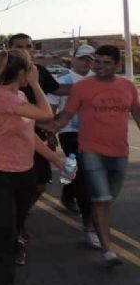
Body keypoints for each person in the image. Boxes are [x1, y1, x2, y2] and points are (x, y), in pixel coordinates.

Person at [0, 48, 71, 285]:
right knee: (4, 241)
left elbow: (29, 134)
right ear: (21, 72)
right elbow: (45, 114)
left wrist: (57, 160)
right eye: (30, 67)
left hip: (22, 174)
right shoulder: (0, 96)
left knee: (12, 232)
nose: (35, 71)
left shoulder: (17, 96)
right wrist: (37, 84)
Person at [53, 45, 140, 268]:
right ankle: (107, 250)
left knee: (107, 197)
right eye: (97, 62)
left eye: (105, 62)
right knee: (101, 198)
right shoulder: (81, 88)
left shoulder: (128, 87)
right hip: (90, 150)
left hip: (120, 152)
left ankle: (91, 225)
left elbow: (137, 113)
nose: (99, 66)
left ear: (117, 65)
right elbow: (64, 118)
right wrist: (39, 130)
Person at [7, 33, 68, 265]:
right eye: (19, 47)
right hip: (13, 137)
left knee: (39, 185)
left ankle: (18, 215)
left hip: (38, 134)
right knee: (18, 186)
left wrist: (86, 86)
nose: (25, 50)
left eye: (28, 47)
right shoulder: (6, 75)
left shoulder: (40, 71)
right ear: (10, 49)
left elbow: (57, 89)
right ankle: (16, 232)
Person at [47, 45, 97, 248]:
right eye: (82, 58)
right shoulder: (63, 81)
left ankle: (67, 193)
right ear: (73, 59)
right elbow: (51, 108)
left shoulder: (97, 79)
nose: (86, 62)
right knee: (83, 176)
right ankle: (89, 225)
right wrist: (50, 133)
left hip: (94, 134)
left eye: (89, 59)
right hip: (70, 132)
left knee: (73, 168)